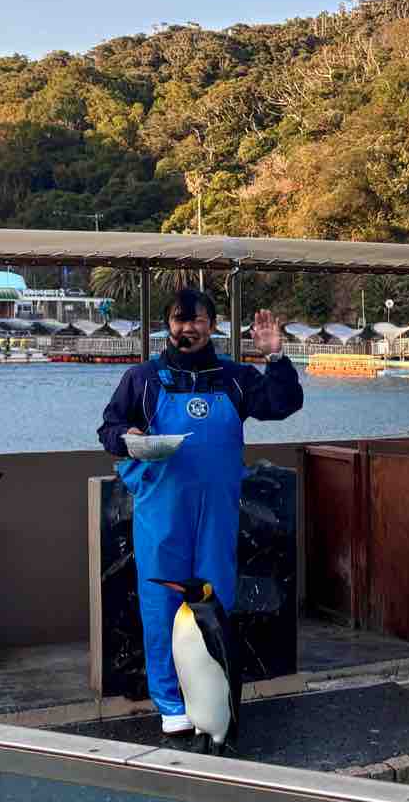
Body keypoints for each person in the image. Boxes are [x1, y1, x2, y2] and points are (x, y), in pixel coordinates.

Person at [97, 288, 303, 735]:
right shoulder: (143, 379)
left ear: (212, 326)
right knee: (161, 604)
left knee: (216, 605)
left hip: (217, 513)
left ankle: (212, 704)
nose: (187, 328)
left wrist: (276, 357)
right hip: (162, 513)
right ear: (167, 325)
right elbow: (108, 429)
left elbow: (283, 404)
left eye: (197, 320)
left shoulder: (234, 377)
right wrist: (128, 438)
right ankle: (170, 702)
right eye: (179, 320)